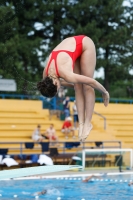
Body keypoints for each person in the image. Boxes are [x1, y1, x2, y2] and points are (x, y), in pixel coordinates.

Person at [37, 35, 110, 142]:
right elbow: (63, 83)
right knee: (78, 86)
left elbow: (92, 82)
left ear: (55, 83)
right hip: (71, 49)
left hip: (84, 44)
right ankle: (81, 123)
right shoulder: (46, 76)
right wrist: (74, 85)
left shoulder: (66, 74)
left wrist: (104, 92)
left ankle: (87, 123)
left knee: (87, 86)